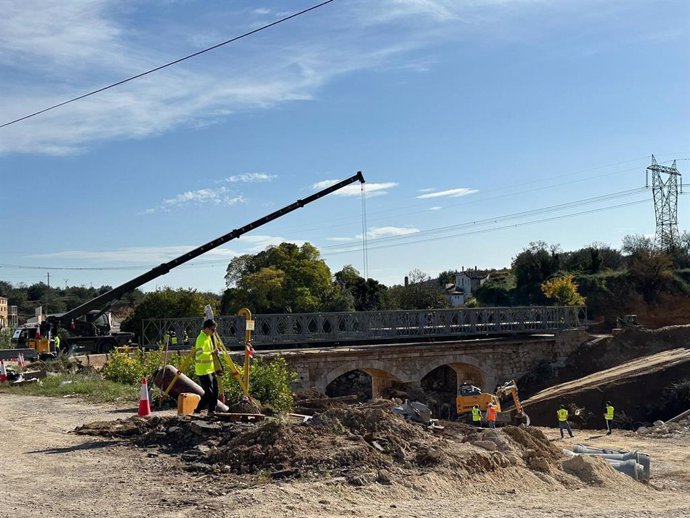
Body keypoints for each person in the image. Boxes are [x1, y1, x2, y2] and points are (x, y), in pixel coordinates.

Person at [194, 319, 220, 416]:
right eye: (212, 330)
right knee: (209, 393)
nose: (214, 332)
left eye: (214, 330)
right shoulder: (201, 339)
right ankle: (198, 410)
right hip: (203, 370)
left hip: (210, 369)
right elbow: (200, 354)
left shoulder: (208, 337)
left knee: (215, 390)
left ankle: (212, 410)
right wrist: (211, 352)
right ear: (206, 329)